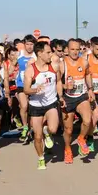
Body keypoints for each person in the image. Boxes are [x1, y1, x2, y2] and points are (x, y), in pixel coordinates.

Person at [23, 41, 62, 170]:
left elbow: (58, 82)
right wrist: (35, 90)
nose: (51, 54)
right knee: (37, 136)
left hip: (51, 103)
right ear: (39, 53)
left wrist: (60, 97)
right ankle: (41, 158)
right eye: (48, 52)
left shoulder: (54, 66)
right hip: (35, 105)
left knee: (54, 129)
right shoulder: (31, 69)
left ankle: (48, 132)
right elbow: (26, 90)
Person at [62, 38, 92, 163]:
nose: (75, 52)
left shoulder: (84, 62)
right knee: (68, 130)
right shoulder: (62, 64)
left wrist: (90, 89)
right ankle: (68, 149)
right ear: (67, 50)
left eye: (77, 49)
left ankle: (81, 138)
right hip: (67, 98)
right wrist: (64, 87)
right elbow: (56, 82)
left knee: (87, 120)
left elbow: (88, 74)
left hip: (81, 96)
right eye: (72, 49)